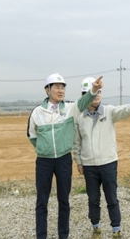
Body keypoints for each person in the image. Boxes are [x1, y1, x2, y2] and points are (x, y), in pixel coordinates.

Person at [27, 73, 103, 239]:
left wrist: (93, 90)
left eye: (63, 87)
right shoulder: (37, 112)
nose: (60, 90)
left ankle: (64, 235)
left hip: (63, 160)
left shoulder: (70, 108)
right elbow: (32, 136)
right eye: (56, 87)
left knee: (64, 201)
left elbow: (83, 102)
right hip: (44, 162)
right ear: (47, 90)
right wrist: (44, 148)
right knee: (42, 201)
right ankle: (41, 235)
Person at [72, 77, 130, 239]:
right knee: (93, 198)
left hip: (108, 163)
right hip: (89, 165)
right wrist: (79, 162)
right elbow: (76, 143)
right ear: (85, 95)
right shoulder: (79, 117)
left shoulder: (109, 111)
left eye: (99, 92)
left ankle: (116, 228)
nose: (97, 95)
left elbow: (123, 111)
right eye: (92, 92)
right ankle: (95, 227)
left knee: (112, 197)